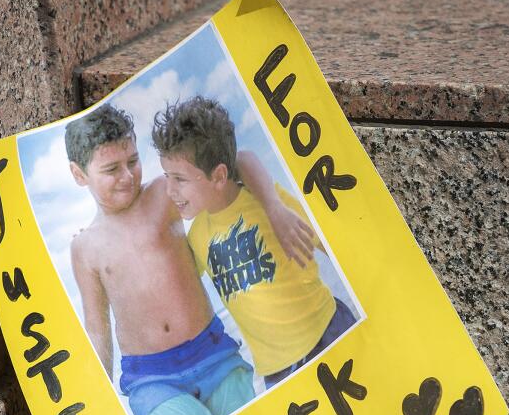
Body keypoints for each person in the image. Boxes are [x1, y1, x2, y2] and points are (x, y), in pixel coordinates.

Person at [66, 104, 303, 415]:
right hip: (151, 380)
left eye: (132, 161)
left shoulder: (165, 192)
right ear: (79, 174)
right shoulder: (84, 246)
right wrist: (97, 402)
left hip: (214, 355)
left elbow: (239, 163)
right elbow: (97, 328)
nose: (128, 176)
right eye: (111, 169)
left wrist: (273, 206)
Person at [152, 96, 357, 388]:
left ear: (219, 175)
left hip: (330, 329)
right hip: (279, 373)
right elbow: (174, 287)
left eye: (179, 179)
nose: (169, 190)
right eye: (166, 177)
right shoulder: (197, 236)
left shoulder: (265, 201)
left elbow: (335, 247)